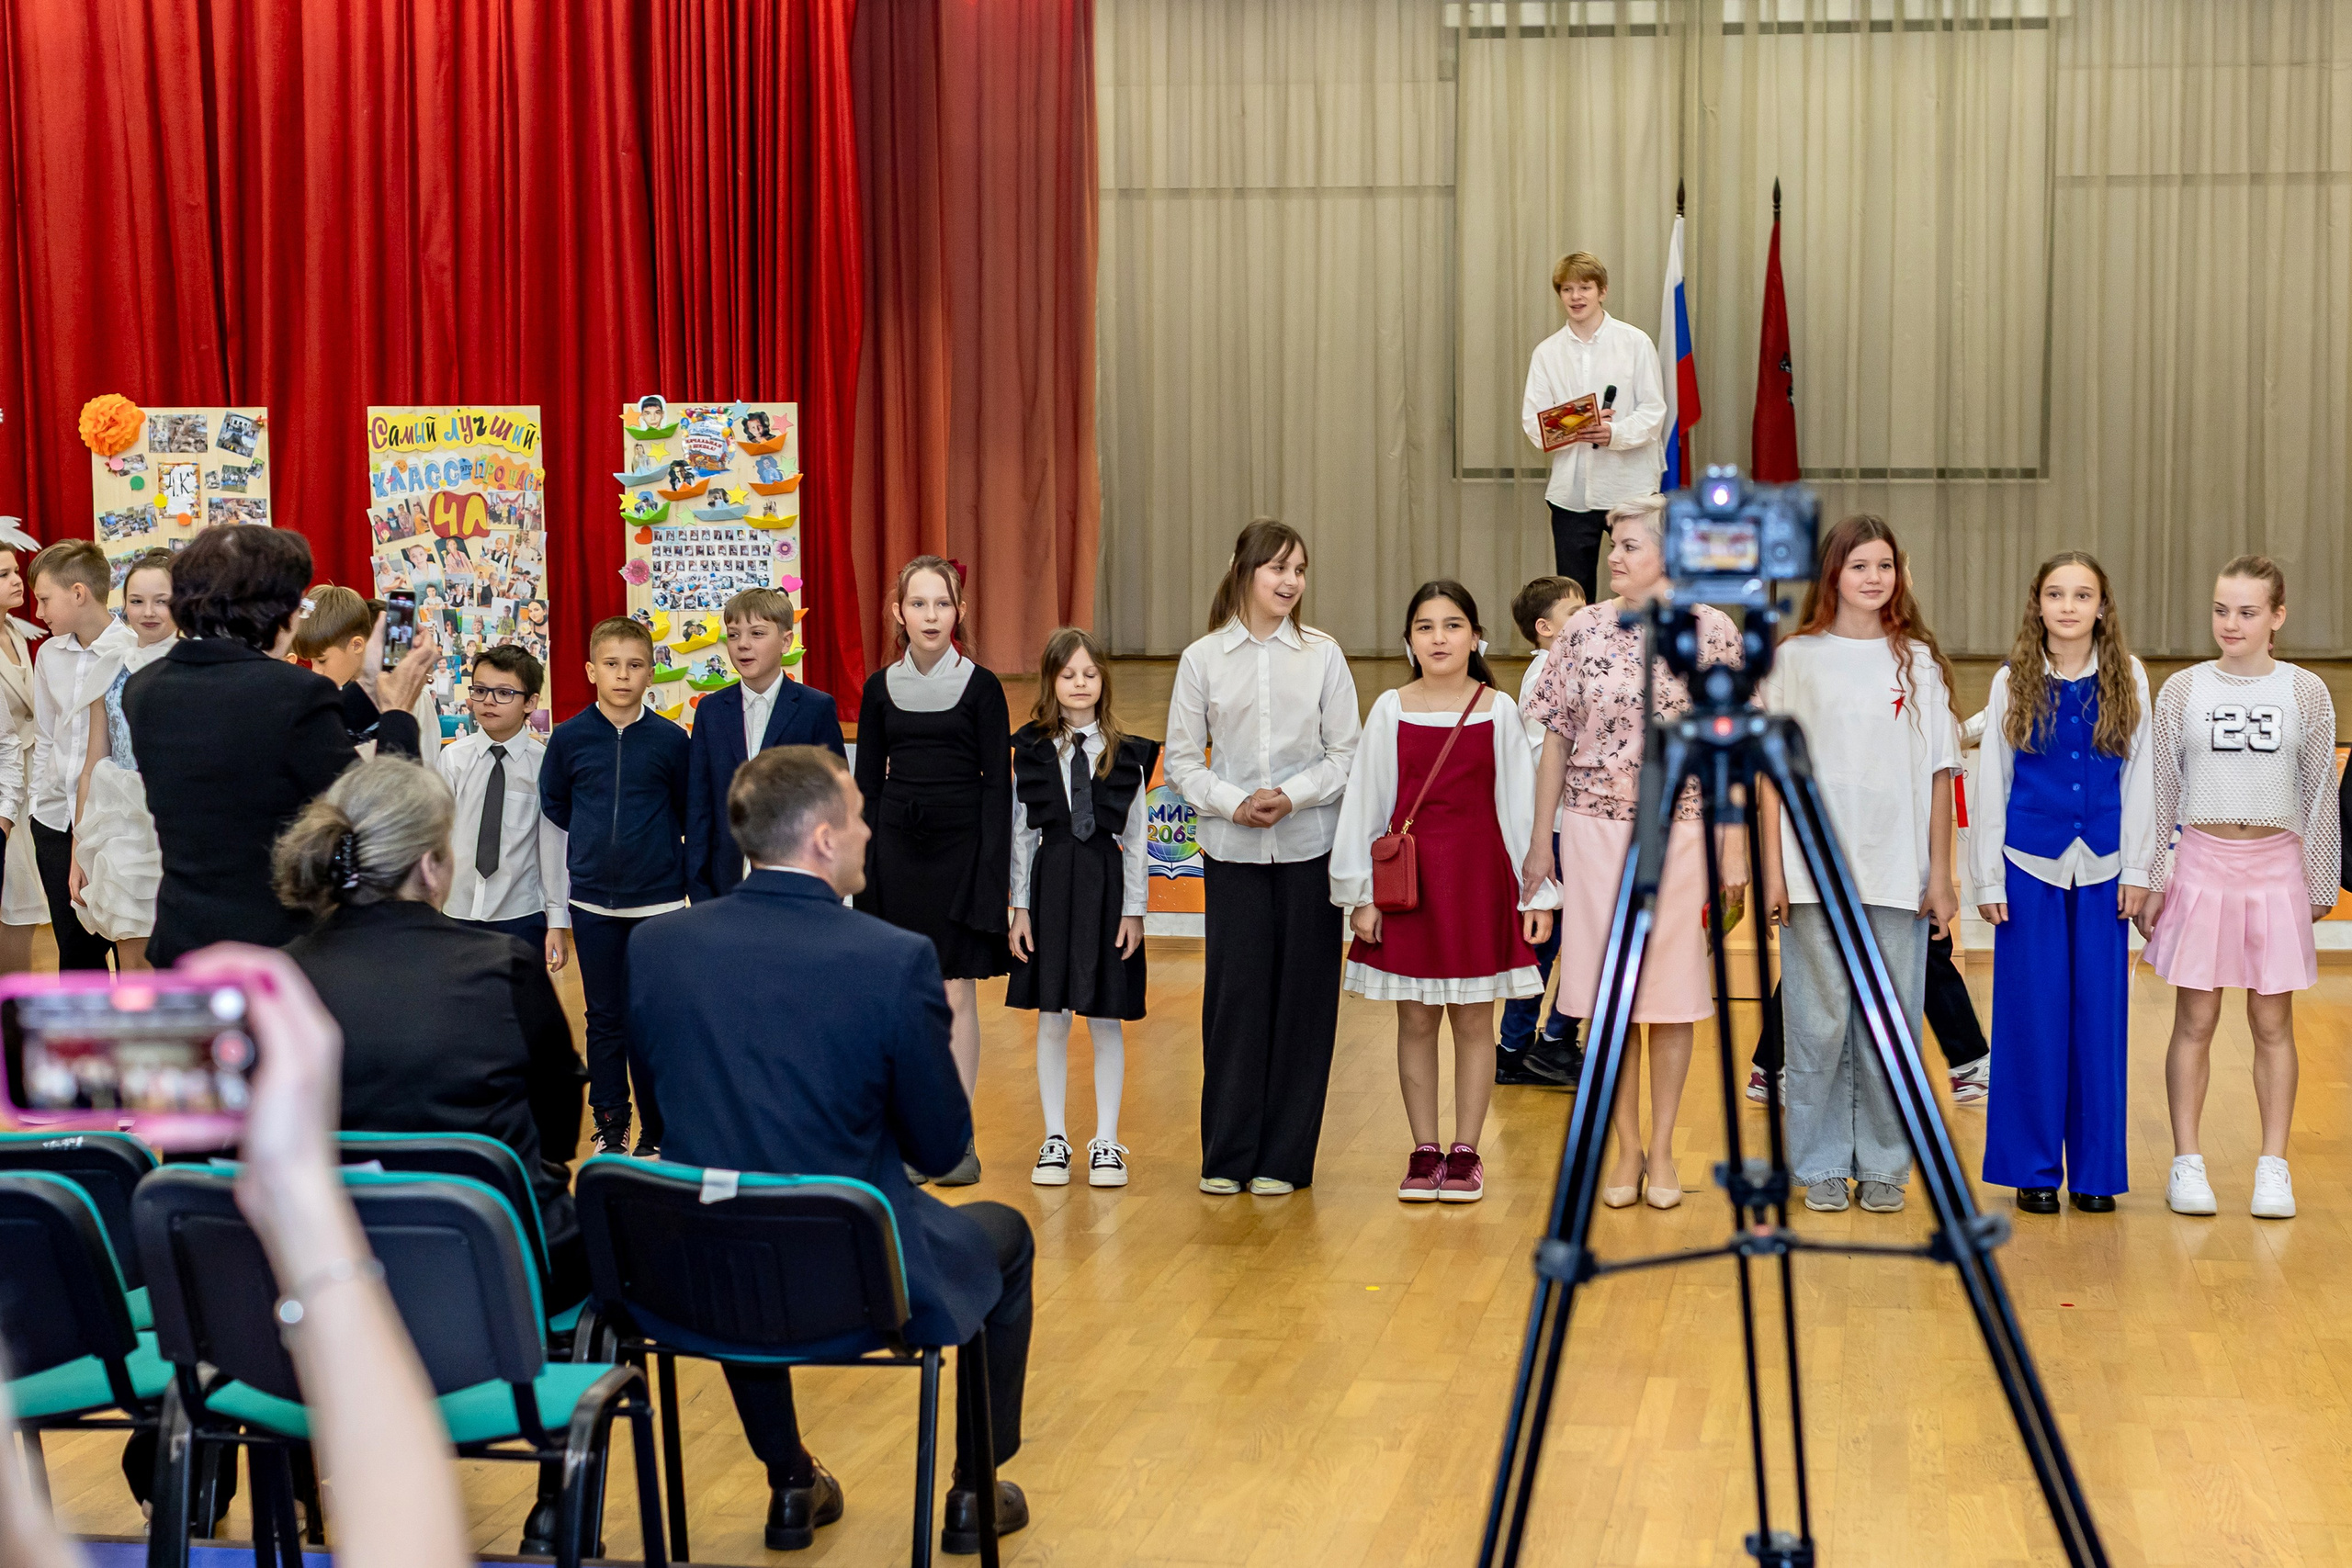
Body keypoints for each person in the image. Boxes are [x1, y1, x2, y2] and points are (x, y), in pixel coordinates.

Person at [630, 746, 1033, 1555]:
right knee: (1009, 1237)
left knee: (738, 1228)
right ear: (820, 839)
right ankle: (972, 1491)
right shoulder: (892, 958)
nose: (868, 829)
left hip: (702, 1274)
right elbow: (943, 1142)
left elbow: (663, 1109)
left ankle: (789, 1477)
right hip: (859, 1276)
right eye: (855, 815)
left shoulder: (656, 948)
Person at [275, 758, 586, 1291]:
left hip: (327, 1268)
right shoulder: (502, 964)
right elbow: (557, 1129)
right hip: (497, 1259)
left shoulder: (279, 979)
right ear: (430, 865)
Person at [1521, 500, 1746, 1211]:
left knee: (1671, 996)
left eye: (1629, 545)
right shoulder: (1582, 629)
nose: (1613, 557)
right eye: (1614, 546)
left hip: (1680, 831)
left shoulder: (1713, 633)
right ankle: (1625, 1147)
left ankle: (1668, 1146)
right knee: (1605, 997)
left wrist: (1733, 846)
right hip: (1590, 832)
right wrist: (1538, 838)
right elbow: (1555, 736)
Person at [1758, 515, 1962, 1216]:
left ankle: (1883, 1162)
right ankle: (1816, 1162)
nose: (1875, 578)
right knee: (1817, 1027)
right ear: (1833, 575)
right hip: (1813, 876)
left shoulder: (1919, 662)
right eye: (1860, 566)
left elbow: (1940, 773)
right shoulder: (1795, 660)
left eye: (1886, 565)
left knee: (1888, 1026)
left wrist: (1941, 874)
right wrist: (1775, 872)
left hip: (1896, 873)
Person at [1330, 582, 1556, 1203]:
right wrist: (1362, 894)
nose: (1439, 637)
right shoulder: (1389, 708)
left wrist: (1535, 896)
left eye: (1452, 625)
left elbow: (1518, 807)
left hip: (1479, 886)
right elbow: (1366, 805)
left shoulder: (1499, 709)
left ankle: (1466, 1151)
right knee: (1415, 1018)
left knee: (1475, 1021)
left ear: (1475, 637)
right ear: (1408, 641)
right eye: (1426, 627)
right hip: (1412, 890)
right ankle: (1423, 1146)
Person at [125, 526, 435, 966]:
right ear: (279, 611)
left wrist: (368, 684)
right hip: (281, 953)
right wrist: (397, 709)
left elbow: (256, 736)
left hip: (186, 940)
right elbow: (385, 817)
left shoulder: (144, 689)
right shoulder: (292, 693)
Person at [2138, 556, 2340, 1220]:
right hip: (2201, 863)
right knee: (2195, 1018)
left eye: (2248, 612)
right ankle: (2186, 1162)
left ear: (2277, 617)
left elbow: (2319, 794)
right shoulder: (2182, 691)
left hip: (2276, 865)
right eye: (2222, 609)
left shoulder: (2306, 691)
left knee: (2271, 1020)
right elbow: (2161, 792)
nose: (2232, 622)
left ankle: (2272, 1166)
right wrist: (2155, 876)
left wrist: (2320, 877)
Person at [1165, 520, 1362, 1197]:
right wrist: (1232, 803)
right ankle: (1227, 1152)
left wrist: (1294, 795)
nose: (1289, 581)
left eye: (1300, 569)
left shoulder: (1324, 655)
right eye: (1277, 567)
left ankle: (1285, 1157)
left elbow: (1346, 753)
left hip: (1310, 849)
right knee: (1235, 1000)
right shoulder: (1203, 659)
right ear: (1242, 569)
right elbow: (1184, 762)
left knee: (1306, 1001)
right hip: (1232, 851)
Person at [1967, 552, 2153, 1215]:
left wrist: (2138, 869)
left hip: (2104, 869)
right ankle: (2034, 1168)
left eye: (2083, 594)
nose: (2069, 605)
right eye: (2056, 593)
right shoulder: (2010, 680)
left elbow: (2141, 780)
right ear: (2037, 604)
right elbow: (1994, 782)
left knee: (2100, 1021)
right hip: (2030, 866)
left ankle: (2098, 1171)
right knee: (2031, 1018)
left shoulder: (2128, 676)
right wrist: (1988, 873)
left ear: (2103, 606)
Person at [853, 557, 1011, 1187]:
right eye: (918, 604)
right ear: (899, 613)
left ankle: (956, 1137)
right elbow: (864, 785)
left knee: (954, 992)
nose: (930, 615)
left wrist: (992, 876)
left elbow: (998, 788)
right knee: (900, 998)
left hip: (961, 854)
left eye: (941, 604)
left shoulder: (984, 687)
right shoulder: (876, 688)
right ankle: (910, 1135)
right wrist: (859, 871)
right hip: (894, 855)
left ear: (959, 612)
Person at [1007, 627, 1158, 1190]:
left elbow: (1139, 839)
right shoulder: (1030, 750)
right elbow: (1021, 836)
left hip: (1105, 889)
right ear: (1050, 681)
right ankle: (1054, 1137)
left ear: (1103, 682)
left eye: (1089, 674)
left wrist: (1134, 911)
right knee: (1052, 1016)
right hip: (1050, 888)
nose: (1079, 684)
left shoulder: (1129, 754)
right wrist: (1019, 908)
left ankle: (1108, 1140)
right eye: (1068, 674)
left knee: (1104, 1015)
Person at [541, 615, 690, 1158]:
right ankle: (611, 1125)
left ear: (652, 673)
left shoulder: (673, 742)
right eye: (611, 665)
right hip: (592, 906)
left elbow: (685, 811)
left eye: (634, 665)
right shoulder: (569, 739)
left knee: (653, 1021)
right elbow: (556, 804)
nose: (623, 676)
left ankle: (657, 1130)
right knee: (603, 1020)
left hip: (660, 904)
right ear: (590, 670)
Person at [1518, 251, 1667, 604]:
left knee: (1642, 582)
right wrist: (1577, 424)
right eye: (1567, 289)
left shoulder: (1635, 343)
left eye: (1584, 287)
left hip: (1630, 487)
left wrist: (1613, 434)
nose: (1576, 297)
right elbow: (1533, 424)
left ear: (1603, 291)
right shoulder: (1547, 353)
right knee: (1573, 593)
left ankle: (1647, 656)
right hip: (1572, 492)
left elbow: (1653, 411)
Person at [684, 586, 845, 902]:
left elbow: (834, 802)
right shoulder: (711, 711)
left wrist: (829, 886)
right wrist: (699, 885)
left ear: (786, 641)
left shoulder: (816, 708)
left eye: (757, 633)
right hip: (724, 885)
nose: (743, 644)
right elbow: (699, 805)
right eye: (733, 635)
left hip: (800, 884)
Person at [26, 541, 135, 972]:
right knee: (75, 952)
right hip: (55, 822)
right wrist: (40, 805)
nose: (38, 612)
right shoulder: (50, 654)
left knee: (127, 938)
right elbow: (47, 736)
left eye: (44, 599)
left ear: (78, 592)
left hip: (113, 822)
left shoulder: (131, 652)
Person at [1497, 573, 1587, 1088]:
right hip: (1554, 828)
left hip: (1567, 825)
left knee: (1572, 940)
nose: (1587, 617)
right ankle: (1521, 1047)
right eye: (1573, 612)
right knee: (1547, 941)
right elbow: (1548, 756)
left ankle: (1547, 1040)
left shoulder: (1560, 667)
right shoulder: (1548, 673)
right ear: (1545, 628)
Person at [425, 645, 570, 965]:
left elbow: (553, 844)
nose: (488, 701)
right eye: (480, 690)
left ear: (530, 702)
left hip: (520, 913)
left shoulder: (544, 764)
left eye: (504, 692)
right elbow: (435, 835)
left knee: (518, 1006)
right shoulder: (452, 759)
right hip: (455, 909)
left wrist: (557, 920)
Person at [66, 550, 175, 969]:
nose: (148, 612)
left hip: (181, 826)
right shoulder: (111, 667)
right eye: (136, 601)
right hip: (123, 830)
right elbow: (94, 762)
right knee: (133, 957)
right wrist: (79, 847)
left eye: (161, 600)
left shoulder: (200, 665)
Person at [290, 585, 440, 753]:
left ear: (356, 645)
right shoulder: (330, 700)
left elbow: (422, 768)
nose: (315, 671)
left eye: (321, 660)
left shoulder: (415, 699)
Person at [0, 523, 48, 975]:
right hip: (3, 787)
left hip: (33, 780)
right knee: (16, 903)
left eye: (15, 571)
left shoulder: (15, 632)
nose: (18, 581)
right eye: (3, 575)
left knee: (28, 904)